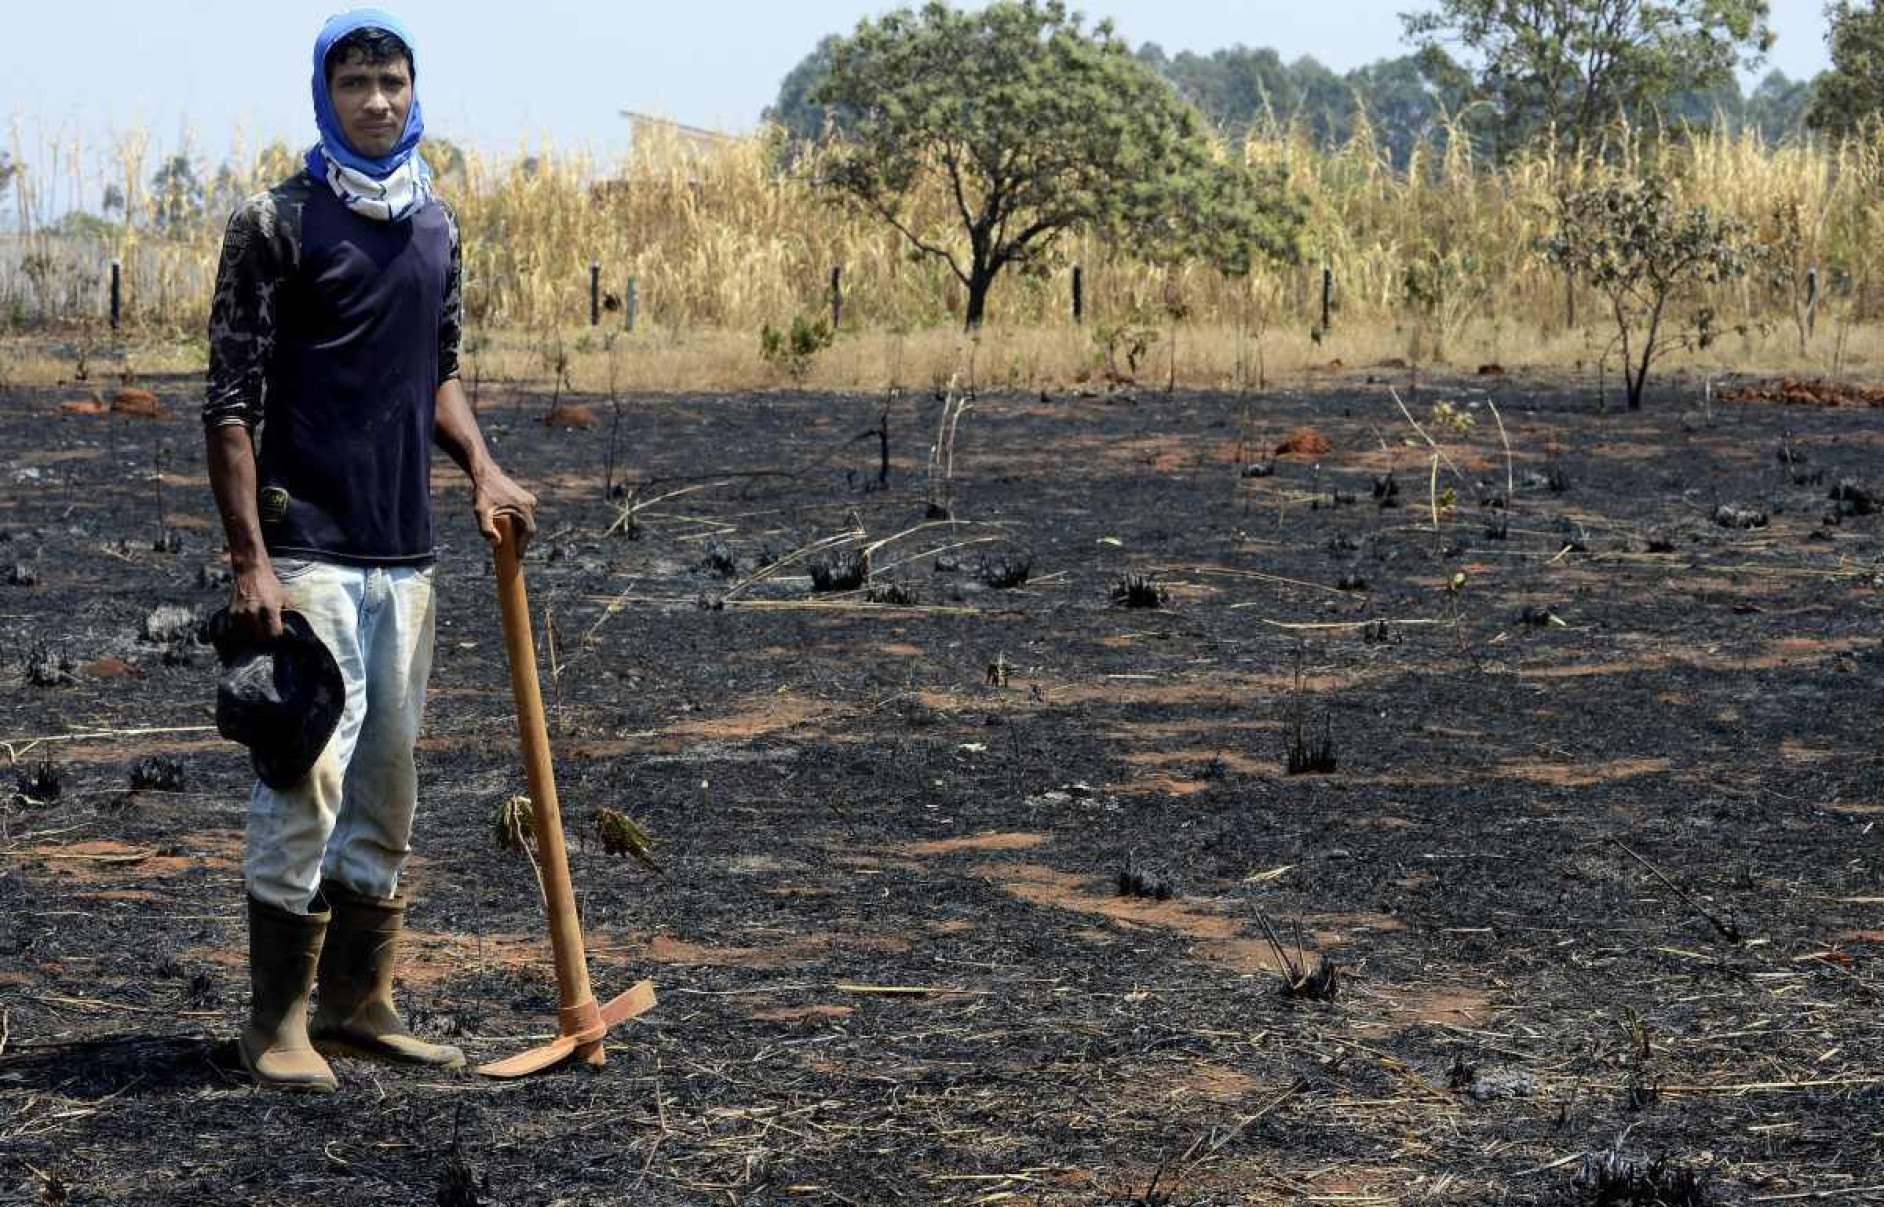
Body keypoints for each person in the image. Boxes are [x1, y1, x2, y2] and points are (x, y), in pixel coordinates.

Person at [203, 8, 536, 1092]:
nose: (378, 99)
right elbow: (230, 405)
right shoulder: (276, 223)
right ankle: (274, 1023)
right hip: (308, 548)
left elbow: (436, 375)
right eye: (355, 82)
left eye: (392, 79)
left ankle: (357, 999)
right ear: (324, 94)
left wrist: (481, 467)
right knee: (308, 776)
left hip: (406, 551)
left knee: (385, 787)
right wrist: (251, 559)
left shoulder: (434, 224)